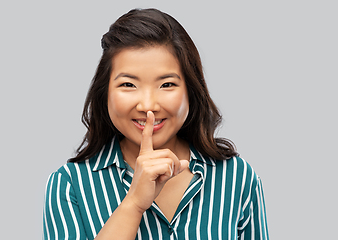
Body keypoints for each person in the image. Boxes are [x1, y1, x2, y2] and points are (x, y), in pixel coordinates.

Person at [43, 8, 269, 240]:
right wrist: (133, 205)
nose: (148, 105)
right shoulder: (69, 185)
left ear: (191, 91)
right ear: (105, 93)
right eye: (129, 85)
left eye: (167, 85)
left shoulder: (238, 177)